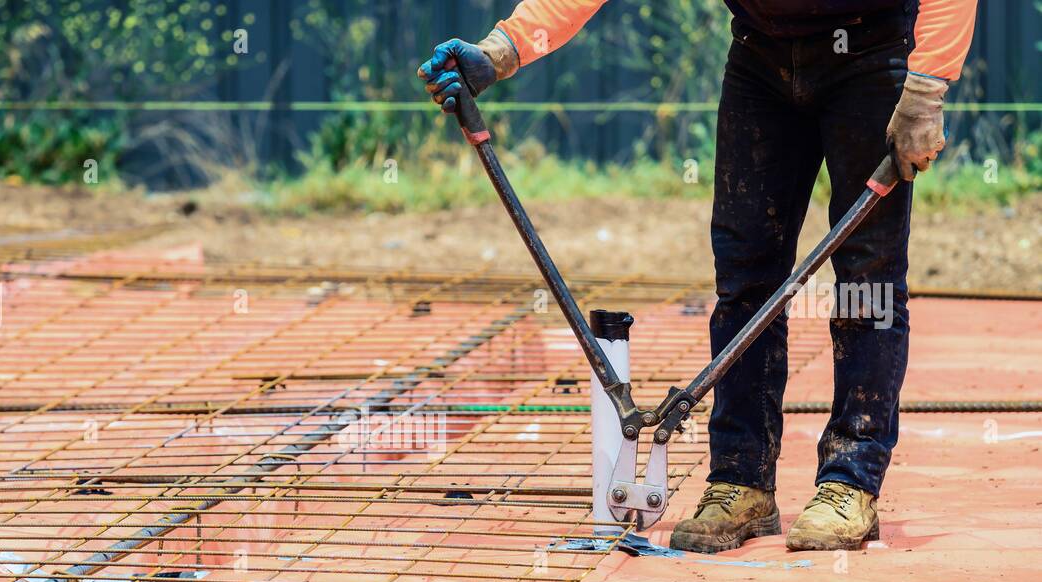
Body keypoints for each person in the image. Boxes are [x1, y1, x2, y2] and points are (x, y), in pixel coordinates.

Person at [418, 0, 978, 552]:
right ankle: (741, 481)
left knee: (867, 280)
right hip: (762, 55)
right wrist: (502, 51)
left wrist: (926, 89)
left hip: (871, 53)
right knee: (745, 273)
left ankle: (848, 482)